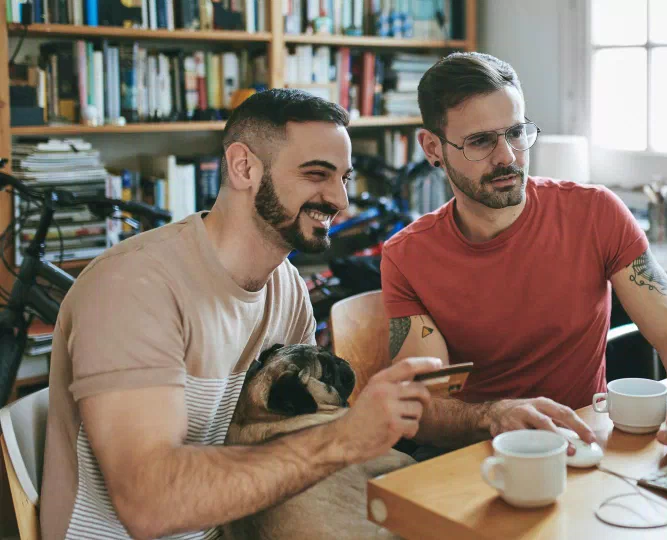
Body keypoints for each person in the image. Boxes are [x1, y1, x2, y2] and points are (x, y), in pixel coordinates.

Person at [39, 89, 441, 540]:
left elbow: (288, 440)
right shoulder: (135, 287)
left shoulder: (286, 288)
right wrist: (346, 438)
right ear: (244, 167)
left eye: (344, 178)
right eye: (316, 175)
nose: (340, 200)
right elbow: (147, 504)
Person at [382, 52, 667, 455]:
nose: (507, 157)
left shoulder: (595, 213)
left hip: (585, 448)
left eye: (516, 133)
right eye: (480, 141)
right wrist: (492, 416)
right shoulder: (408, 256)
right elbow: (425, 411)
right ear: (432, 147)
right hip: (481, 457)